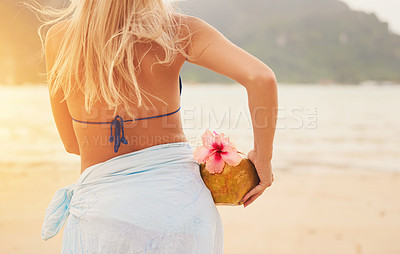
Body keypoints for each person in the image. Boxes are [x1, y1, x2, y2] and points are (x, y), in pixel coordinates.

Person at [30, 0, 277, 253]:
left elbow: (73, 144)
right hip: (180, 209)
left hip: (103, 216)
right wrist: (262, 159)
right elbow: (261, 78)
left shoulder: (60, 38)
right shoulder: (178, 31)